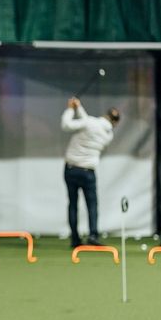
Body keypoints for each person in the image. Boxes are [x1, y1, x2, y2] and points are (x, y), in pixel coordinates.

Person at [60, 97, 120, 248]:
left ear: (106, 115)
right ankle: (93, 235)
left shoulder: (90, 123)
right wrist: (78, 107)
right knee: (92, 205)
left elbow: (66, 125)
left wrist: (70, 109)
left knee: (73, 204)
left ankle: (75, 239)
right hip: (88, 172)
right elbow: (88, 122)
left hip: (71, 169)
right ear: (115, 122)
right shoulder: (108, 135)